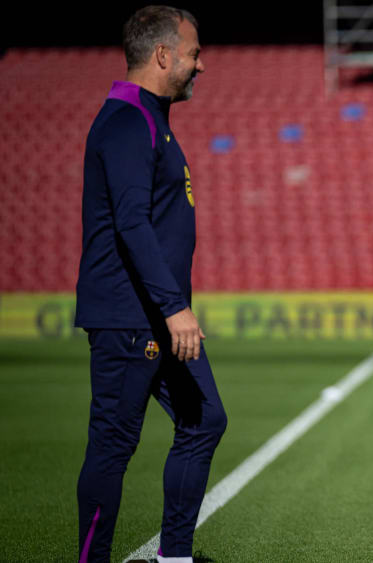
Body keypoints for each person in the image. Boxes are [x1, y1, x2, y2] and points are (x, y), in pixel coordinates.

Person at [74, 6, 225, 563]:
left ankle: (175, 556)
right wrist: (174, 307)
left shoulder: (152, 119)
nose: (200, 66)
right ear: (163, 55)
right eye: (193, 54)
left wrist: (172, 308)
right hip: (129, 316)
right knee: (113, 446)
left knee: (205, 419)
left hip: (158, 316)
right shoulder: (126, 121)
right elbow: (131, 223)